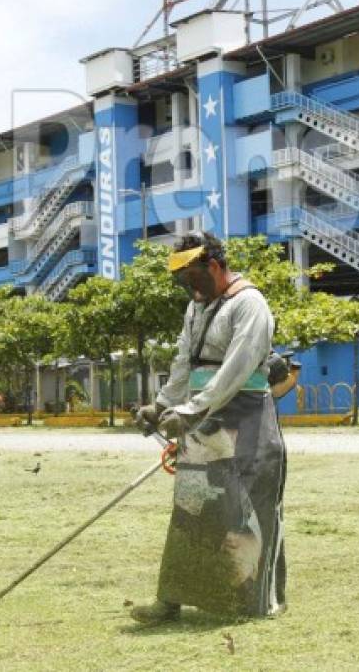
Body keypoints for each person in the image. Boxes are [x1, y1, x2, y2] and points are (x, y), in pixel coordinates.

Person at [132, 231, 287, 623]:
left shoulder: (250, 304)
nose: (187, 287)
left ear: (214, 266)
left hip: (246, 420)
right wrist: (162, 404)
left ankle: (248, 605)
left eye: (191, 278)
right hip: (203, 421)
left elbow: (235, 371)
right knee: (190, 510)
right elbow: (186, 360)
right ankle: (170, 601)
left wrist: (191, 411)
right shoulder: (196, 307)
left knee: (245, 516)